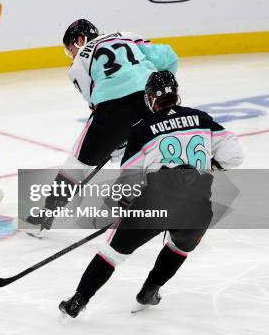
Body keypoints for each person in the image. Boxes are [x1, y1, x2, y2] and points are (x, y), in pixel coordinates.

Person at [59, 71, 244, 317]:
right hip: (197, 206)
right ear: (176, 95)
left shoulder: (142, 129)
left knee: (111, 254)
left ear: (150, 98)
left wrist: (119, 205)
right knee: (179, 247)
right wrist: (210, 166)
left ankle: (77, 302)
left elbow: (129, 181)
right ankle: (149, 292)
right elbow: (235, 155)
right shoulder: (202, 118)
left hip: (156, 203)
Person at [26, 19, 179, 233]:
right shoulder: (127, 35)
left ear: (80, 40)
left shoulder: (79, 62)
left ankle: (47, 213)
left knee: (78, 162)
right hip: (150, 100)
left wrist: (113, 140)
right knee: (147, 157)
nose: (71, 54)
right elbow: (168, 57)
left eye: (70, 48)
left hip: (114, 109)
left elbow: (94, 102)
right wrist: (163, 98)